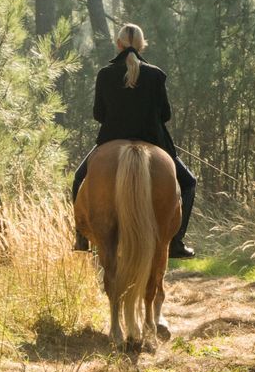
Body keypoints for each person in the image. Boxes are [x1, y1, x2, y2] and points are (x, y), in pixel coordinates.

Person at [71, 23, 197, 259]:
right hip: (153, 141)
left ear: (118, 44)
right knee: (189, 183)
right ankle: (176, 242)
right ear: (142, 45)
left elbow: (99, 114)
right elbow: (165, 115)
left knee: (78, 179)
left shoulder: (105, 74)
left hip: (111, 138)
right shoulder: (156, 74)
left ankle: (81, 239)